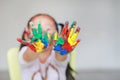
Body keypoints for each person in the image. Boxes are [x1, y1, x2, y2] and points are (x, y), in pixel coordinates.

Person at [18, 13, 79, 80]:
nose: (43, 33)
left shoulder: (57, 53)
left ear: (57, 34)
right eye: (38, 30)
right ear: (27, 35)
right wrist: (37, 45)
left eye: (48, 29)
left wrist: (62, 47)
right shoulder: (25, 53)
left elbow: (61, 56)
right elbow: (29, 55)